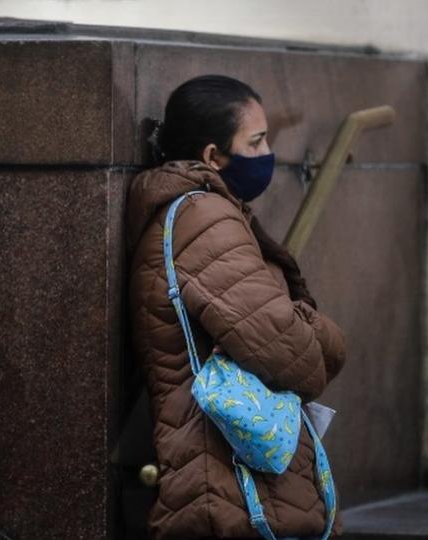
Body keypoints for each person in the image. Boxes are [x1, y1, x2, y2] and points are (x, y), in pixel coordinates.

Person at [126, 74, 347, 539]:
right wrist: (320, 329)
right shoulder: (203, 219)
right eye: (257, 141)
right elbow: (295, 354)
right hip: (221, 474)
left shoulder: (203, 212)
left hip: (221, 470)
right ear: (212, 156)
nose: (268, 154)